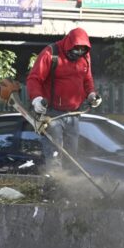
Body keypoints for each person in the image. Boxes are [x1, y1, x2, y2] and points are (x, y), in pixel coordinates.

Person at [26, 27, 101, 164]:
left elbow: (87, 79)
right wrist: (36, 98)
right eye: (76, 49)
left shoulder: (85, 57)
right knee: (55, 153)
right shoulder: (51, 53)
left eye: (82, 50)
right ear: (69, 44)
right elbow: (34, 78)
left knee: (71, 156)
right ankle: (54, 181)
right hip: (52, 114)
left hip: (73, 114)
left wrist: (91, 95)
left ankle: (69, 183)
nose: (79, 53)